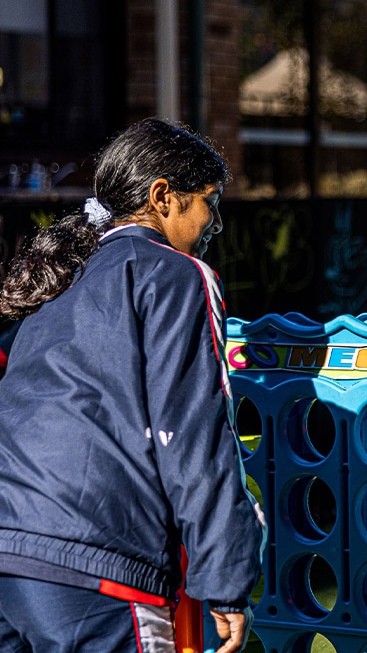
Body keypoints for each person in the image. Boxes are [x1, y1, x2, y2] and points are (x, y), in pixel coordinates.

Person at [0, 119, 265, 653]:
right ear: (162, 197)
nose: (214, 223)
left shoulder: (64, 276)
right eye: (209, 202)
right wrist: (227, 581)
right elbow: (191, 434)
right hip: (98, 563)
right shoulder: (175, 274)